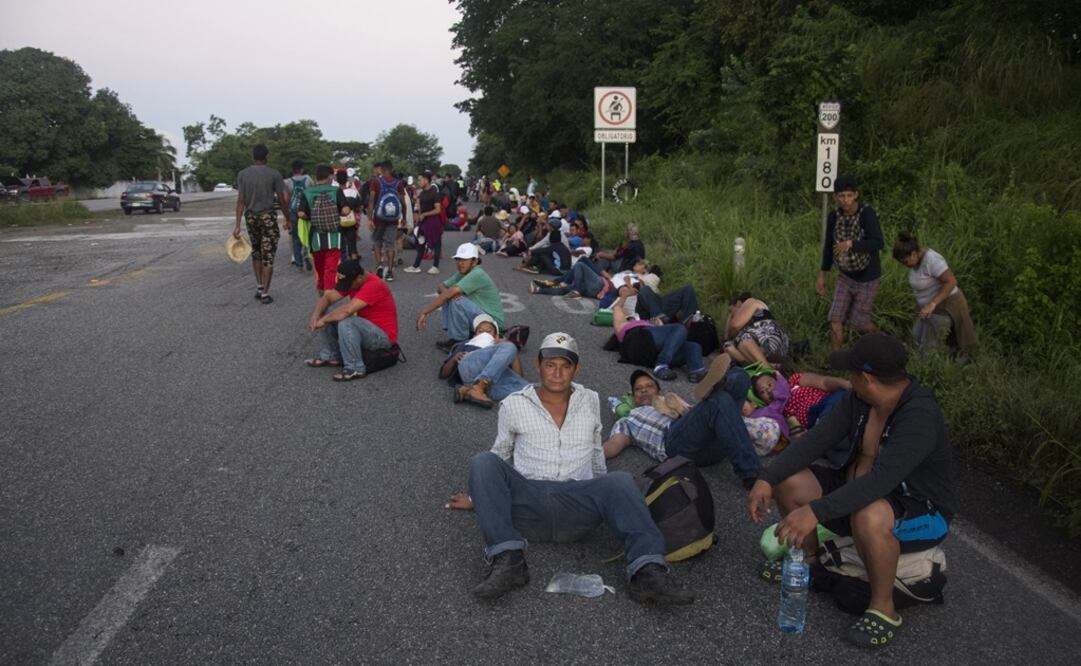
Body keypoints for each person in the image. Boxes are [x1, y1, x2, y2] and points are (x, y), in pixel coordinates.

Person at [748, 333, 956, 649]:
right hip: (858, 492)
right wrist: (767, 477)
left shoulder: (919, 416)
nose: (847, 378)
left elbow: (880, 482)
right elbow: (816, 440)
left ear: (868, 378)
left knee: (870, 513)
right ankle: (810, 562)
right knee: (788, 482)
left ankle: (883, 608)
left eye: (852, 373)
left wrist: (814, 512)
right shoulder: (858, 399)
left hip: (922, 510)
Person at [457, 333, 694, 604]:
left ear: (576, 368)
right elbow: (500, 454)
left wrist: (613, 501)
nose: (557, 373)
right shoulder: (513, 404)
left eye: (565, 366)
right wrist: (481, 498)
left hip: (578, 510)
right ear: (538, 364)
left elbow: (596, 453)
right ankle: (509, 561)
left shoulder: (590, 400)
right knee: (483, 462)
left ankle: (647, 571)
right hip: (529, 508)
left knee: (620, 481)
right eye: (550, 365)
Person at [603, 358, 762, 488]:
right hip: (674, 444)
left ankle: (721, 384)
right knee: (719, 400)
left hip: (714, 446)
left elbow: (696, 417)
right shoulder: (629, 418)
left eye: (649, 386)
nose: (644, 390)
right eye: (638, 389)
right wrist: (589, 452)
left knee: (741, 377)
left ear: (658, 392)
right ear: (632, 398)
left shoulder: (670, 402)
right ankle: (752, 474)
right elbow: (616, 443)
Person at [816, 175, 884, 350]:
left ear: (855, 195)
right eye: (841, 196)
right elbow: (828, 247)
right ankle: (837, 359)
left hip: (868, 277)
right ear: (835, 197)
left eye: (848, 195)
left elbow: (878, 242)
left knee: (858, 323)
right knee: (835, 318)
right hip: (845, 275)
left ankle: (882, 339)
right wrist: (822, 275)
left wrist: (851, 244)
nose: (845, 200)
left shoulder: (866, 214)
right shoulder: (834, 216)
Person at [305, 259, 399, 381]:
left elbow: (347, 310)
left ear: (359, 278)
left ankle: (355, 368)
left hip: (383, 338)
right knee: (326, 310)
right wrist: (316, 315)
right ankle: (331, 356)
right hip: (367, 330)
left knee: (347, 321)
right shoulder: (354, 280)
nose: (347, 288)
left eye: (349, 284)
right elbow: (327, 298)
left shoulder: (375, 285)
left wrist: (324, 320)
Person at [892, 231, 977, 359]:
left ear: (914, 254)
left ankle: (932, 371)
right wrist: (920, 306)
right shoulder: (916, 263)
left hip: (945, 306)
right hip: (928, 309)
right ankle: (946, 356)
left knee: (928, 347)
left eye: (905, 261)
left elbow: (951, 281)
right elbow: (921, 289)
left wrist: (932, 304)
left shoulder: (931, 260)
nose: (905, 265)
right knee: (915, 337)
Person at [416, 243, 504, 350]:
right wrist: (449, 293)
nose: (460, 263)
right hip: (481, 316)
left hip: (492, 322)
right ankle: (463, 334)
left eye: (465, 260)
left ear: (475, 261)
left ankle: (458, 341)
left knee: (454, 300)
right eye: (458, 259)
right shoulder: (463, 272)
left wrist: (424, 312)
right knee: (450, 296)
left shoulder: (477, 274)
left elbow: (447, 294)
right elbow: (441, 286)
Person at [233, 144, 291, 304]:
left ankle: (259, 285)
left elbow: (240, 201)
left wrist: (237, 225)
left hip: (251, 217)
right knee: (268, 255)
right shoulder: (274, 174)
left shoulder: (243, 174)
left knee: (256, 251)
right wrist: (287, 218)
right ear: (266, 156)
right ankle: (265, 292)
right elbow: (281, 199)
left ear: (253, 156)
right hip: (267, 217)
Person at [612, 288, 706, 382]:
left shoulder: (647, 323)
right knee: (680, 328)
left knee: (694, 346)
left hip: (652, 354)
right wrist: (625, 295)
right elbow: (617, 308)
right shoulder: (625, 325)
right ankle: (661, 364)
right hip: (640, 342)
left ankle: (697, 372)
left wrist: (658, 325)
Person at [440, 313, 529, 408]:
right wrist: (453, 359)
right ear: (474, 335)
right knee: (510, 346)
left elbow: (518, 376)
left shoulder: (500, 351)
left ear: (496, 335)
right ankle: (479, 386)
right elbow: (443, 374)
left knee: (527, 390)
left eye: (489, 331)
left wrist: (511, 350)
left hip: (486, 381)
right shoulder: (464, 345)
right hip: (470, 363)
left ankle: (470, 391)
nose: (484, 334)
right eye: (480, 331)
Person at [295, 164, 352, 296]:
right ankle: (328, 296)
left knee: (320, 270)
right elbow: (346, 210)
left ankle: (322, 297)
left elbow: (301, 214)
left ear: (316, 177)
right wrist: (336, 214)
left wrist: (313, 217)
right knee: (331, 269)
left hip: (316, 237)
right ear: (330, 176)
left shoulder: (307, 192)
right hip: (334, 236)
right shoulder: (335, 191)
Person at [723, 292, 790, 369]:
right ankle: (769, 366)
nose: (731, 316)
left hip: (770, 340)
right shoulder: (751, 327)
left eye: (731, 312)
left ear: (738, 303)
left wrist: (726, 336)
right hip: (774, 348)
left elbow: (735, 325)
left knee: (743, 339)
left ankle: (770, 371)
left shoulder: (751, 302)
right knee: (729, 348)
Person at [367, 160, 407, 282]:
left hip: (379, 218)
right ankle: (390, 272)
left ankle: (379, 265)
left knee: (377, 242)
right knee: (390, 245)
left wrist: (369, 219)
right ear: (391, 169)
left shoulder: (376, 182)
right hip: (393, 220)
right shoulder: (398, 183)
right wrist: (404, 217)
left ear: (381, 169)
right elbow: (403, 203)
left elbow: (371, 201)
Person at [403, 172, 444, 275]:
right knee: (420, 242)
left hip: (434, 221)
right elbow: (419, 208)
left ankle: (435, 266)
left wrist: (425, 214)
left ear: (426, 180)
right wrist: (417, 209)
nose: (419, 182)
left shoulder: (435, 193)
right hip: (423, 222)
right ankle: (416, 266)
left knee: (436, 243)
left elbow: (438, 209)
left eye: (420, 180)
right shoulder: (422, 193)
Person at [283, 160, 314, 272]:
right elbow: (312, 196)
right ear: (302, 169)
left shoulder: (287, 182)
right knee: (307, 234)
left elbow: (286, 200)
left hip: (293, 212)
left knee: (296, 238)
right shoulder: (309, 179)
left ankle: (299, 265)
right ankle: (307, 253)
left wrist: (286, 217)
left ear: (292, 170)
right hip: (306, 213)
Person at [335, 170, 361, 261]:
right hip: (351, 222)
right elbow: (358, 208)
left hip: (338, 222)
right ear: (347, 179)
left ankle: (343, 267)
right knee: (352, 245)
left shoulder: (334, 192)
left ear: (337, 180)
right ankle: (354, 265)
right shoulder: (353, 192)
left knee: (341, 246)